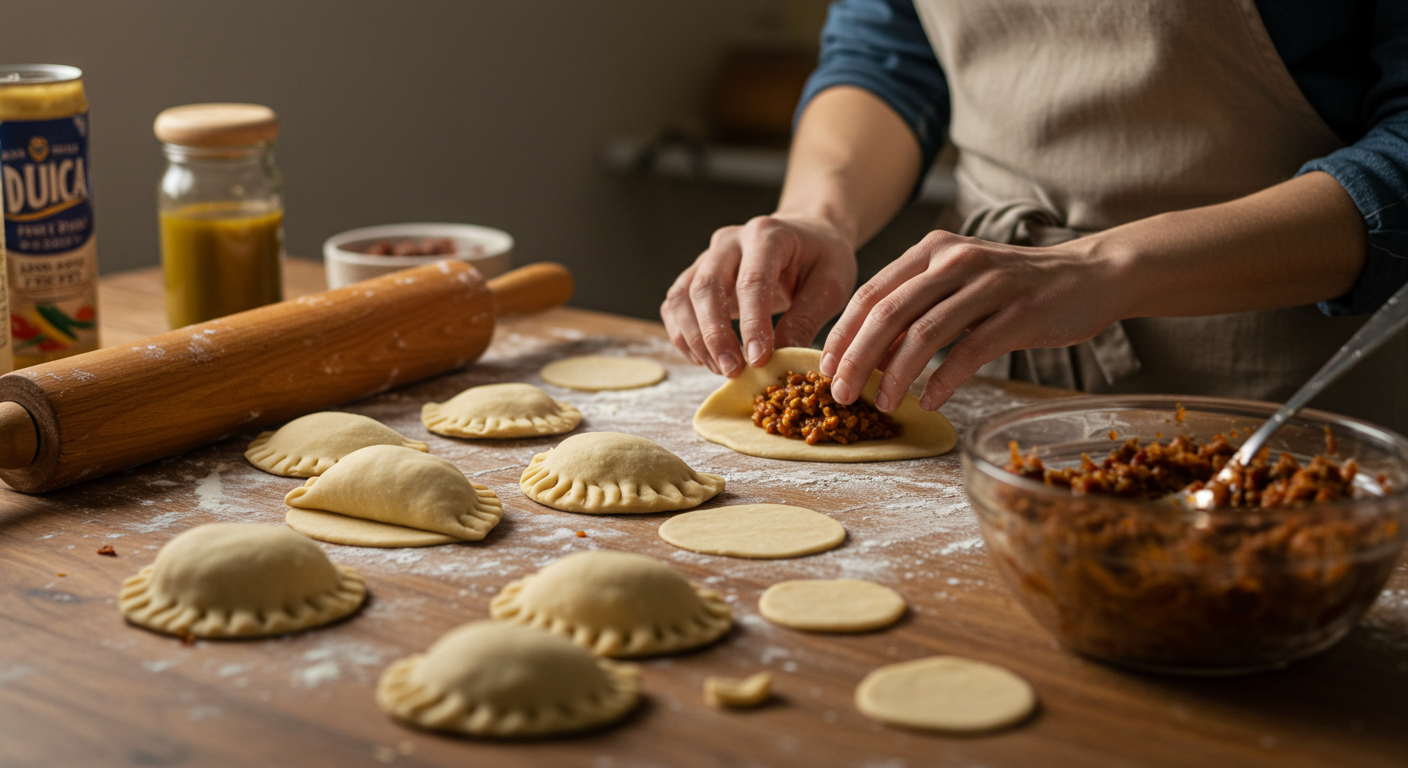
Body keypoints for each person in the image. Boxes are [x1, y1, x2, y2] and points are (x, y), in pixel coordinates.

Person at [660, 0, 1408, 433]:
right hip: (976, 362)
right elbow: (889, 51)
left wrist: (1101, 268)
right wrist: (820, 215)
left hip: (1286, 379)